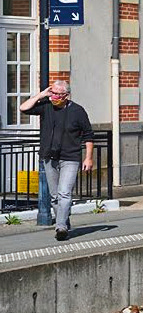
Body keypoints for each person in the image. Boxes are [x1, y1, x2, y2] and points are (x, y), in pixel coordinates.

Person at [20, 81, 94, 241]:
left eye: (57, 94)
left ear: (66, 96)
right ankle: (65, 220)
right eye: (52, 93)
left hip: (70, 157)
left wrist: (88, 157)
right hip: (49, 156)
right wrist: (41, 95)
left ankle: (60, 227)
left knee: (64, 193)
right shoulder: (46, 106)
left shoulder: (78, 111)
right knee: (54, 196)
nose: (53, 97)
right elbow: (23, 108)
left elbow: (88, 135)